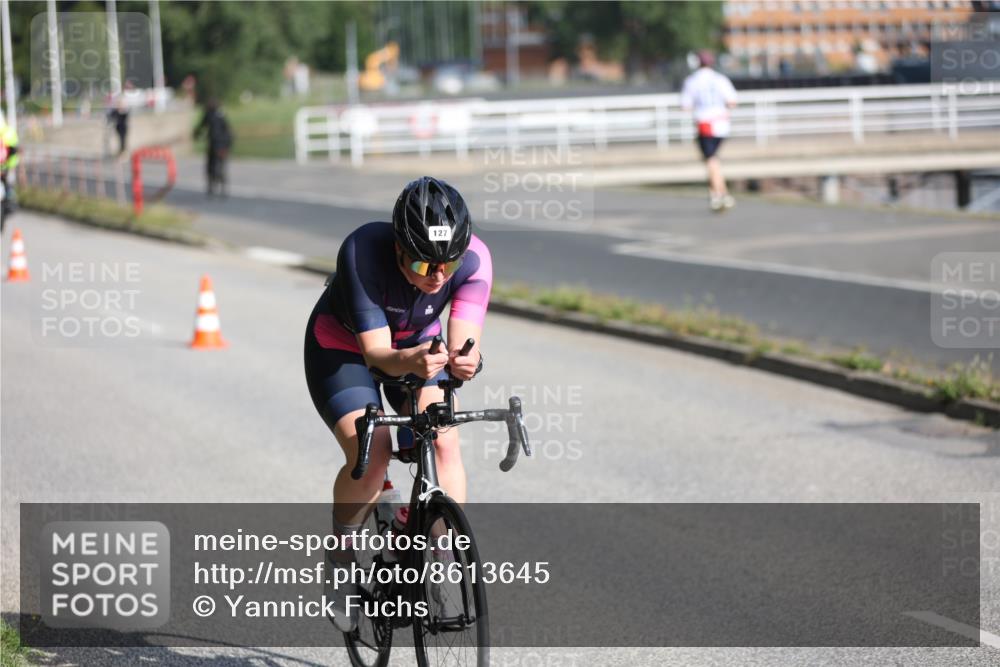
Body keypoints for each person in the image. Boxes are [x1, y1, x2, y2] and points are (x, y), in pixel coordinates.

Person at [303, 176, 492, 632]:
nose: (438, 276)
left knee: (442, 441)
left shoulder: (475, 259)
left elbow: (464, 343)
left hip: (418, 347)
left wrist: (467, 361)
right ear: (398, 248)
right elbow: (378, 356)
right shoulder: (363, 251)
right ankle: (341, 560)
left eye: (448, 264)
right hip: (345, 349)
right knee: (374, 452)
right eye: (424, 263)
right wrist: (413, 360)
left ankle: (439, 556)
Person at [681, 50, 738, 212]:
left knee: (711, 160)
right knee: (713, 160)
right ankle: (716, 194)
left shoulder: (692, 81)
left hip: (705, 124)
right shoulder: (720, 79)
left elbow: (685, 105)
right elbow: (732, 102)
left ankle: (722, 194)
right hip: (722, 124)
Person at [193, 100, 233, 196]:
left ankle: (211, 187)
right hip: (223, 144)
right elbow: (228, 130)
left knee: (211, 165)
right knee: (221, 165)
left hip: (214, 144)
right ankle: (223, 188)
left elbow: (200, 127)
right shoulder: (222, 114)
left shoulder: (209, 115)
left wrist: (195, 135)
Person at [0, 111, 19, 231]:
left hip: (5, 169)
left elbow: (13, 152)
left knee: (8, 188)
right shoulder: (8, 133)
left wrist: (9, 167)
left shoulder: (8, 134)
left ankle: (9, 201)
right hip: (6, 168)